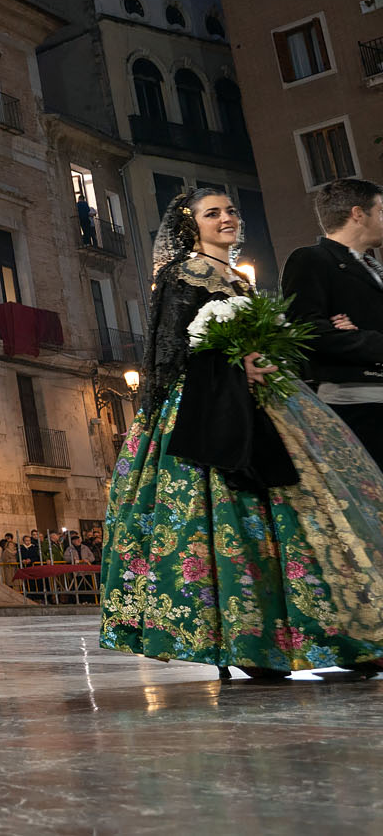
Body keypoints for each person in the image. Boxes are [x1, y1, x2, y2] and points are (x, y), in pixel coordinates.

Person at [101, 188, 383, 679]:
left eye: (231, 210)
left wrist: (265, 355)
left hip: (267, 403)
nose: (227, 218)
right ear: (192, 226)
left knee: (309, 514)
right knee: (228, 525)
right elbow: (172, 349)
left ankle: (336, 634)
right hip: (210, 411)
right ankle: (248, 643)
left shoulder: (237, 279)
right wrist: (234, 364)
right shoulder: (182, 275)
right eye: (213, 214)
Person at [281, 178, 383, 464]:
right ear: (358, 214)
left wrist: (357, 332)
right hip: (357, 405)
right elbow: (308, 331)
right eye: (381, 211)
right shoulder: (310, 259)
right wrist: (373, 341)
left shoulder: (372, 266)